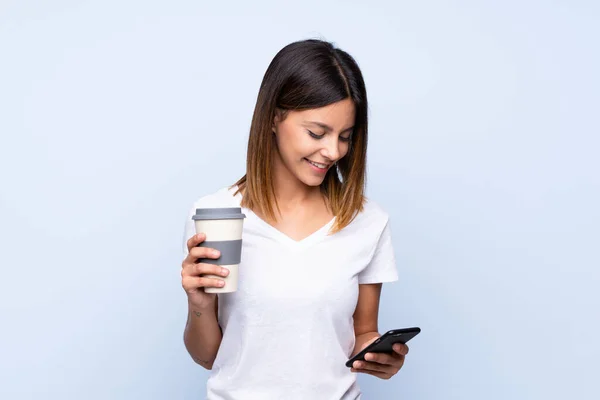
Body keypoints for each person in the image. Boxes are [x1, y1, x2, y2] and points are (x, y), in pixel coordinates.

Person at [180, 38, 409, 399]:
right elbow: (208, 356)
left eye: (345, 137)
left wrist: (381, 355)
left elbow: (363, 333)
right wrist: (199, 305)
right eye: (317, 133)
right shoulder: (217, 216)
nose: (333, 151)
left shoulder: (368, 222)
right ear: (274, 117)